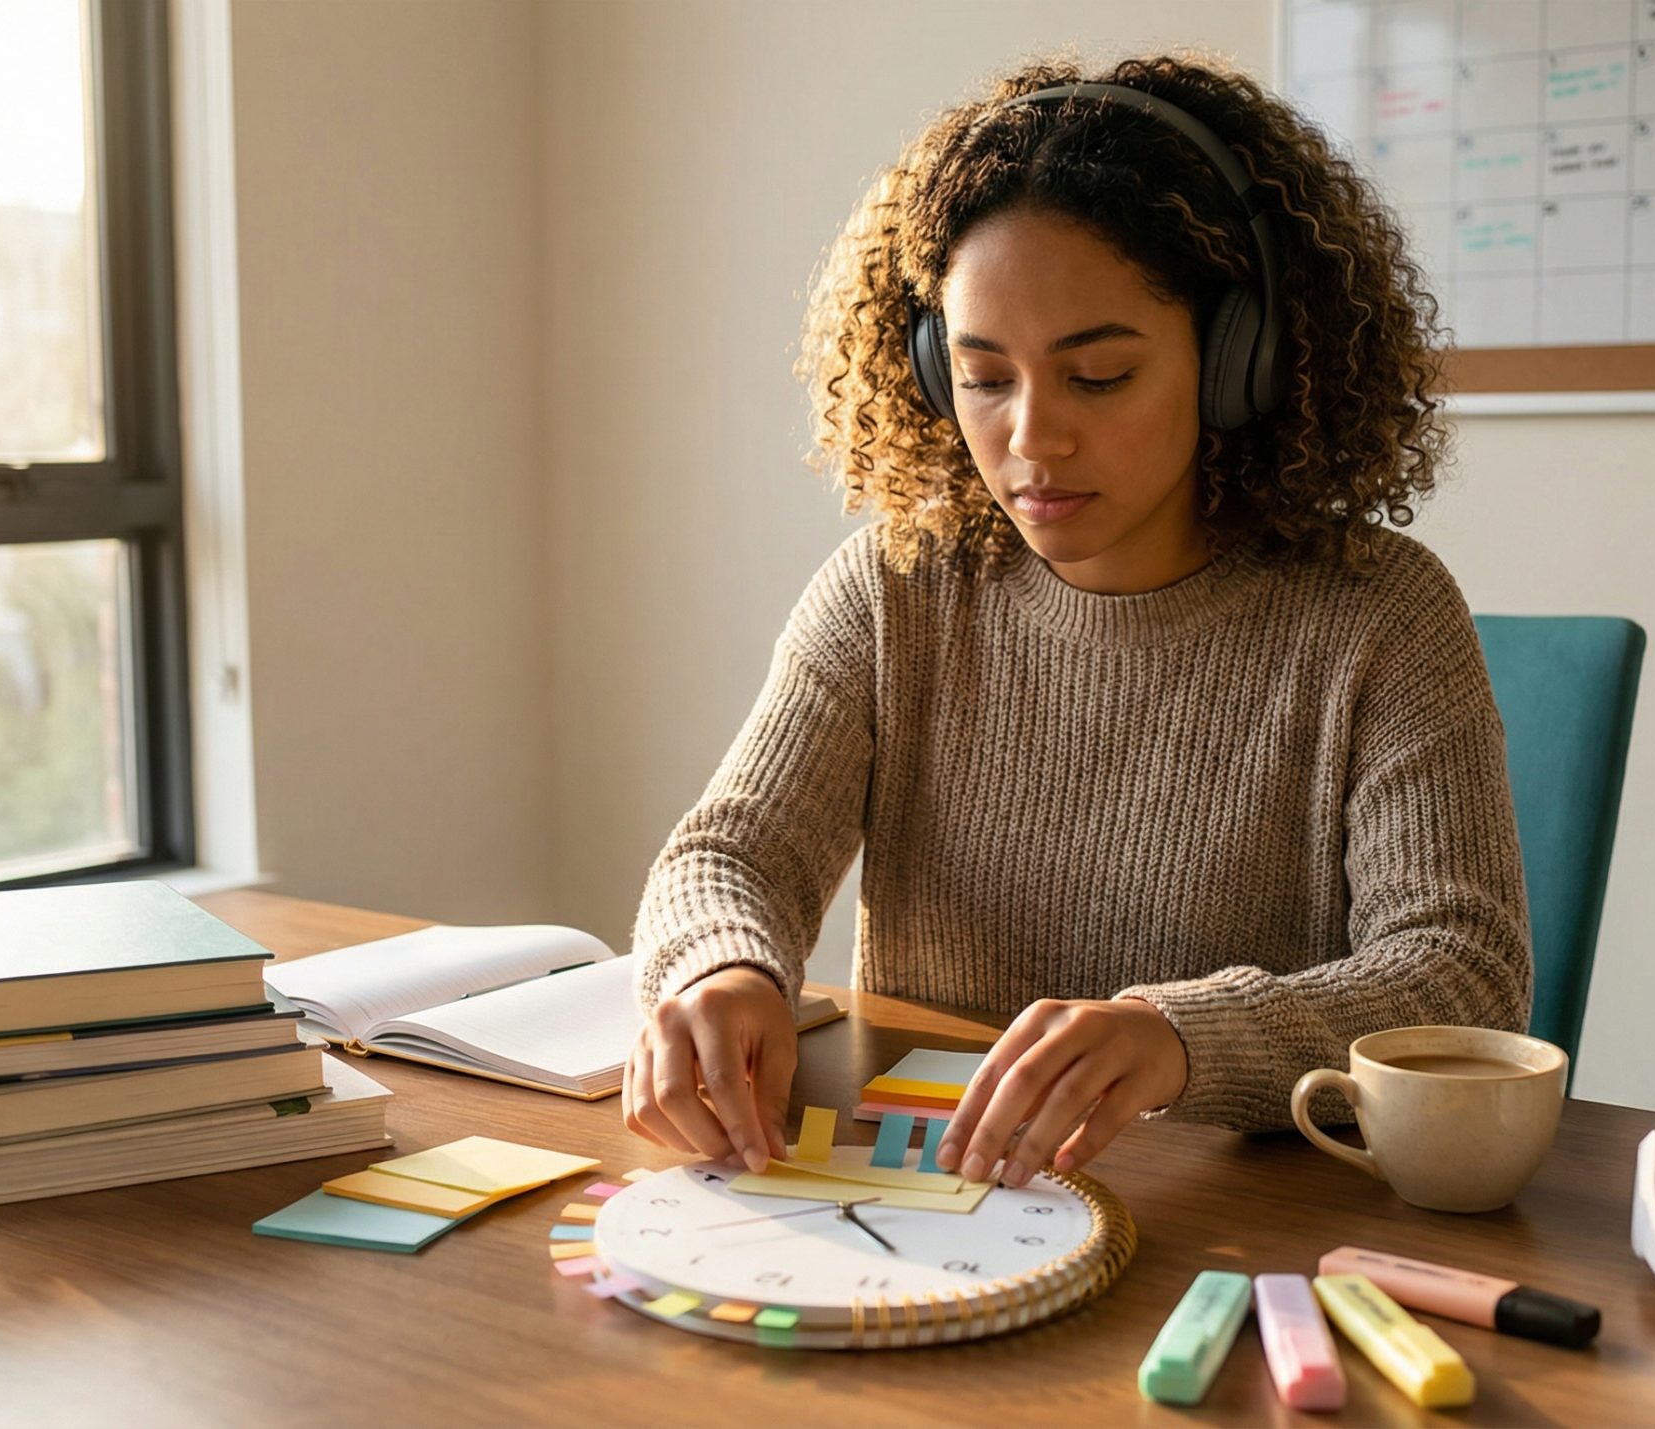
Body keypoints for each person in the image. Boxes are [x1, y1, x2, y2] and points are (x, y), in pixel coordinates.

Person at [622, 53, 1531, 1191]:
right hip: (935, 1202)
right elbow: (730, 850)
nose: (1031, 438)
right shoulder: (897, 587)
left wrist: (1177, 1037)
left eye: (1098, 375)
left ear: (1239, 361)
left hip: (1235, 1224)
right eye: (984, 377)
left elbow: (1460, 977)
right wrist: (719, 970)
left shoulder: (1379, 615)